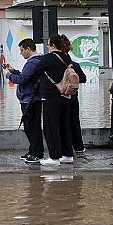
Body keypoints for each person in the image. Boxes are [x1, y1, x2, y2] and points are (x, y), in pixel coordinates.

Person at [30, 34, 75, 166]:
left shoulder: (49, 58)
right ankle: (67, 154)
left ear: (53, 46)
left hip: (51, 96)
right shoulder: (67, 58)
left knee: (51, 127)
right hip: (66, 95)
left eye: (49, 44)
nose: (48, 47)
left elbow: (35, 71)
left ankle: (54, 157)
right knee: (64, 125)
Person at [5, 38, 44, 163]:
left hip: (30, 100)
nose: (21, 53)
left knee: (31, 127)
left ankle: (36, 153)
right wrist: (14, 71)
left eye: (22, 50)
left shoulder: (32, 62)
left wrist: (8, 75)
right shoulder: (36, 61)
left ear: (28, 49)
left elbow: (22, 79)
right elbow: (26, 76)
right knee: (31, 126)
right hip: (30, 98)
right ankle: (33, 151)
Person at [60, 41, 87, 155]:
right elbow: (83, 78)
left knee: (61, 123)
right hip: (73, 97)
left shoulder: (57, 64)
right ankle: (79, 147)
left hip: (61, 97)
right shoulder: (74, 64)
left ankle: (64, 148)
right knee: (75, 122)